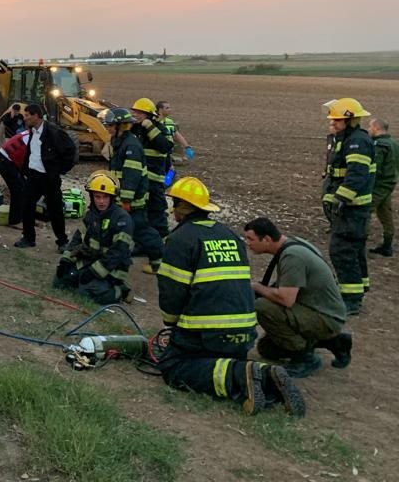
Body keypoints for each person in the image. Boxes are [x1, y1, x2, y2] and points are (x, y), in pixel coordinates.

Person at [156, 176, 305, 416]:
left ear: (180, 208)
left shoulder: (179, 240)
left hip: (206, 335)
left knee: (173, 366)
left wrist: (173, 327)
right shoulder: (232, 237)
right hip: (243, 336)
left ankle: (238, 377)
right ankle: (264, 376)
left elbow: (172, 293)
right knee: (220, 363)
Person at [243, 217, 351, 377]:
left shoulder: (292, 256)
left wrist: (257, 287)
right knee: (268, 350)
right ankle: (334, 342)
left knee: (262, 307)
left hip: (326, 317)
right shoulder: (293, 244)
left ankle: (305, 358)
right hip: (321, 310)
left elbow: (286, 299)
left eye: (250, 239)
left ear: (266, 239)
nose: (247, 243)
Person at [321, 98, 376, 315]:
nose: (332, 124)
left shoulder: (357, 142)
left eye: (337, 120)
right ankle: (358, 289)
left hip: (352, 209)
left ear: (350, 120)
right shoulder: (348, 139)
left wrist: (340, 199)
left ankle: (351, 299)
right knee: (353, 250)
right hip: (351, 209)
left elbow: (356, 175)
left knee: (342, 251)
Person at [52, 172, 133, 304]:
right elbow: (77, 239)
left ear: (112, 198)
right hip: (90, 261)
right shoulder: (91, 215)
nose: (101, 201)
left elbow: (117, 253)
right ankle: (90, 281)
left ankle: (120, 290)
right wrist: (65, 260)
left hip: (112, 268)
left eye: (105, 197)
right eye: (97, 197)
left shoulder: (122, 219)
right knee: (59, 282)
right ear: (92, 196)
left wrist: (93, 273)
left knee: (87, 292)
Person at [102, 107, 162, 272]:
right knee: (124, 229)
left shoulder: (131, 146)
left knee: (141, 231)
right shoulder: (120, 142)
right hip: (122, 198)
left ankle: (158, 261)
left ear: (120, 126)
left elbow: (131, 176)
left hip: (132, 201)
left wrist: (126, 201)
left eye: (110, 125)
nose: (107, 128)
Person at [15, 104, 71, 249]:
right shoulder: (32, 131)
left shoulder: (53, 132)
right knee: (27, 205)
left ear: (36, 116)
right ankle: (28, 238)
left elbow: (70, 151)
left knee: (55, 209)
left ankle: (62, 241)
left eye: (27, 116)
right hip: (33, 176)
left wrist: (59, 170)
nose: (25, 118)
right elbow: (32, 153)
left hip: (49, 178)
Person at [130, 98, 176, 240]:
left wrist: (149, 127)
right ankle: (145, 241)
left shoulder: (159, 129)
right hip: (140, 178)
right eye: (135, 112)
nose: (136, 115)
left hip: (155, 178)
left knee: (156, 210)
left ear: (148, 115)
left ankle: (161, 240)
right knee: (141, 210)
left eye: (139, 112)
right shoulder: (135, 129)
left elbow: (165, 146)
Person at [368, 118, 398, 257]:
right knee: (385, 213)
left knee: (365, 211)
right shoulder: (394, 143)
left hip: (379, 184)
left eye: (370, 127)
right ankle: (387, 245)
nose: (368, 129)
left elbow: (376, 167)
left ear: (376, 128)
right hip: (390, 182)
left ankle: (358, 243)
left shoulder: (380, 145)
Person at [0, 128, 29, 227]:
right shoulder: (33, 138)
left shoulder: (30, 133)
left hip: (6, 158)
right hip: (5, 160)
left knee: (22, 187)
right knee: (18, 189)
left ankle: (21, 217)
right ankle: (15, 221)